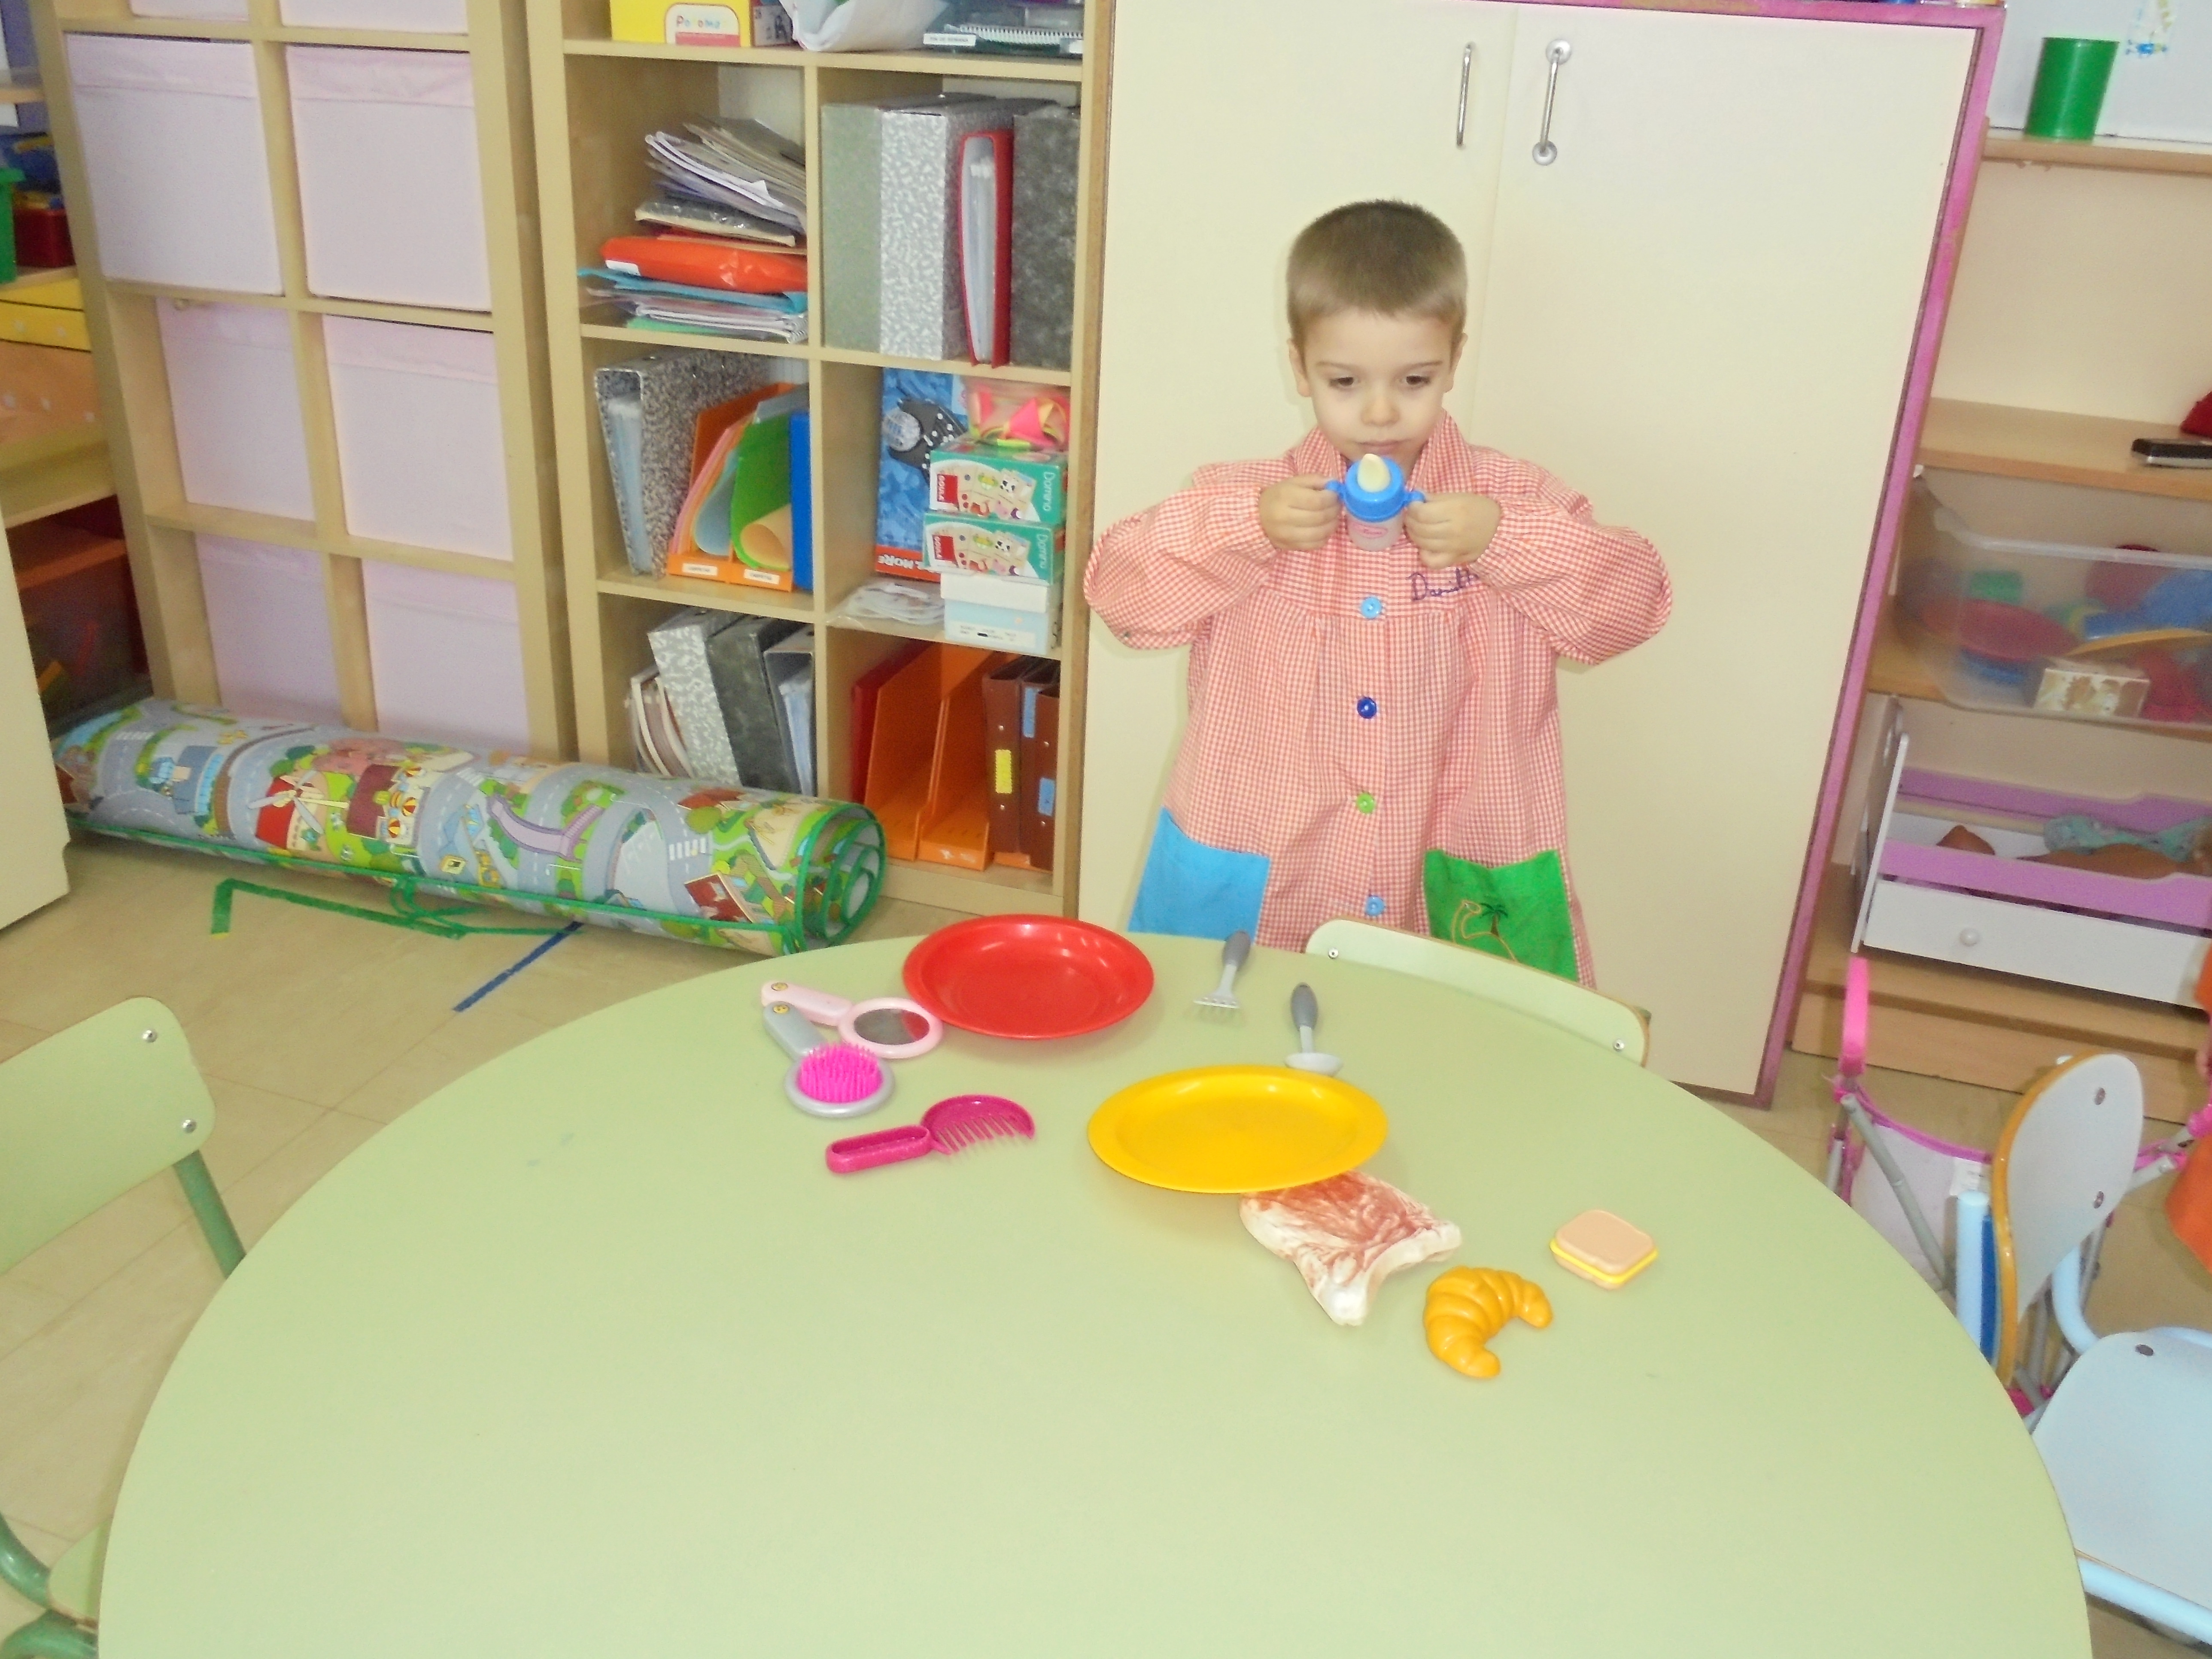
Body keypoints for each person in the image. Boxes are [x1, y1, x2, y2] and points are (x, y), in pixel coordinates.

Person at [1084, 200, 1671, 981]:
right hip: (1267, 869)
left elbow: (1635, 606)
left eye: (1415, 379)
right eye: (1345, 381)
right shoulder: (1245, 500)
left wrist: (1504, 540)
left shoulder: (1515, 501)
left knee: (1457, 1044)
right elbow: (1120, 598)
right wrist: (1246, 527)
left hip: (1454, 880)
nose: (1381, 411)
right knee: (1230, 1030)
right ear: (1300, 368)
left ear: (1454, 360)